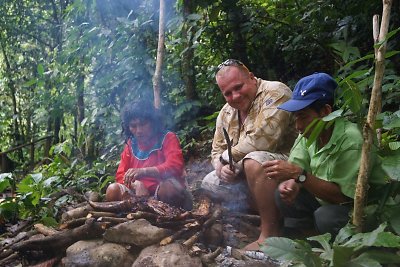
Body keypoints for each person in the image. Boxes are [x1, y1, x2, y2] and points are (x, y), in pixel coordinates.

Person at [263, 72, 386, 236]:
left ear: (326, 111)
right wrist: (293, 184)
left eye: (304, 117)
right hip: (324, 201)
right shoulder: (308, 133)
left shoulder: (352, 141)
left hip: (360, 210)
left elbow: (346, 200)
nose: (298, 126)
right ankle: (310, 243)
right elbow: (299, 166)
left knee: (326, 217)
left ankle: (344, 251)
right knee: (282, 193)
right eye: (296, 118)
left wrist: (299, 176)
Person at [201, 59, 298, 250]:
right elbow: (216, 151)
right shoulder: (226, 113)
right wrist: (221, 168)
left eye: (238, 87)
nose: (234, 96)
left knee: (255, 161)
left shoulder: (276, 92)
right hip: (248, 171)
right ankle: (256, 217)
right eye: (227, 93)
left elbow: (264, 140)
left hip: (287, 166)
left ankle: (270, 232)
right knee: (209, 181)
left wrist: (228, 159)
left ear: (252, 78)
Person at [105, 100, 193, 211]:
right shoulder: (131, 144)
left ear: (152, 122)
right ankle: (134, 215)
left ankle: (170, 215)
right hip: (136, 195)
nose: (139, 131)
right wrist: (136, 184)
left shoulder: (167, 138)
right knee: (112, 190)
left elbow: (175, 166)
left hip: (161, 192)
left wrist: (144, 171)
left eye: (143, 124)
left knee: (170, 190)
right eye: (133, 126)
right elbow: (120, 175)